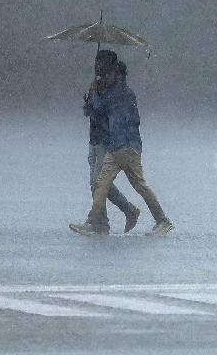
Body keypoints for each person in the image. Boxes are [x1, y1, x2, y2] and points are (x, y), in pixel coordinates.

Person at [70, 58, 173, 235]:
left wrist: (94, 94)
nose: (105, 77)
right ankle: (95, 222)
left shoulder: (120, 93)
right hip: (117, 147)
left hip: (127, 146)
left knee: (135, 185)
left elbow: (100, 108)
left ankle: (162, 221)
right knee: (102, 184)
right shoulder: (121, 92)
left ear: (118, 76)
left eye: (109, 74)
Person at [81, 51, 140, 233]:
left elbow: (105, 113)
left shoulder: (114, 89)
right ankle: (124, 211)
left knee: (97, 182)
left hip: (106, 140)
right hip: (95, 138)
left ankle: (100, 222)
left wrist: (95, 103)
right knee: (99, 182)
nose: (99, 69)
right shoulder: (97, 86)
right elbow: (89, 111)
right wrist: (89, 102)